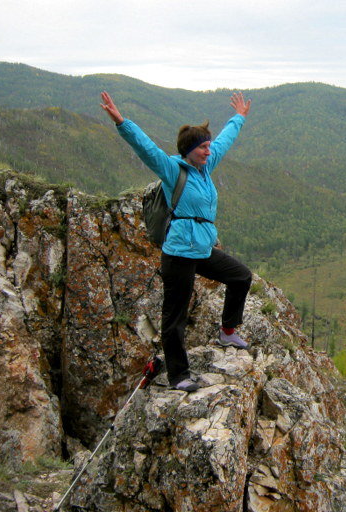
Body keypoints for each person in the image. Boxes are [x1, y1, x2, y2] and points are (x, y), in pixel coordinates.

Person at [101, 90, 253, 392]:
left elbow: (225, 140)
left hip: (201, 249)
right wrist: (122, 122)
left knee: (241, 276)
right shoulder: (173, 169)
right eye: (203, 148)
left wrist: (239, 117)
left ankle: (227, 331)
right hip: (179, 253)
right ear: (189, 150)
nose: (209, 152)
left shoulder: (206, 169)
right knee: (175, 316)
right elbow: (146, 149)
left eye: (209, 147)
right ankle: (178, 375)